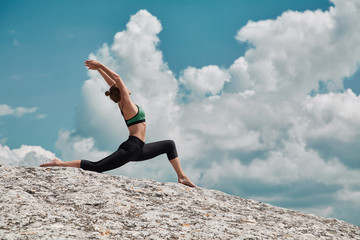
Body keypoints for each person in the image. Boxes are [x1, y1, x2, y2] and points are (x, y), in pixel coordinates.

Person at [40, 60, 196, 187]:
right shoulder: (126, 103)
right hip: (131, 148)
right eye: (124, 87)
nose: (126, 87)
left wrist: (98, 71)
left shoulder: (122, 101)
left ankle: (182, 177)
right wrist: (100, 65)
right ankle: (59, 163)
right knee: (97, 167)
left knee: (169, 144)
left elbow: (113, 84)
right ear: (122, 91)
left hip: (140, 148)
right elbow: (118, 79)